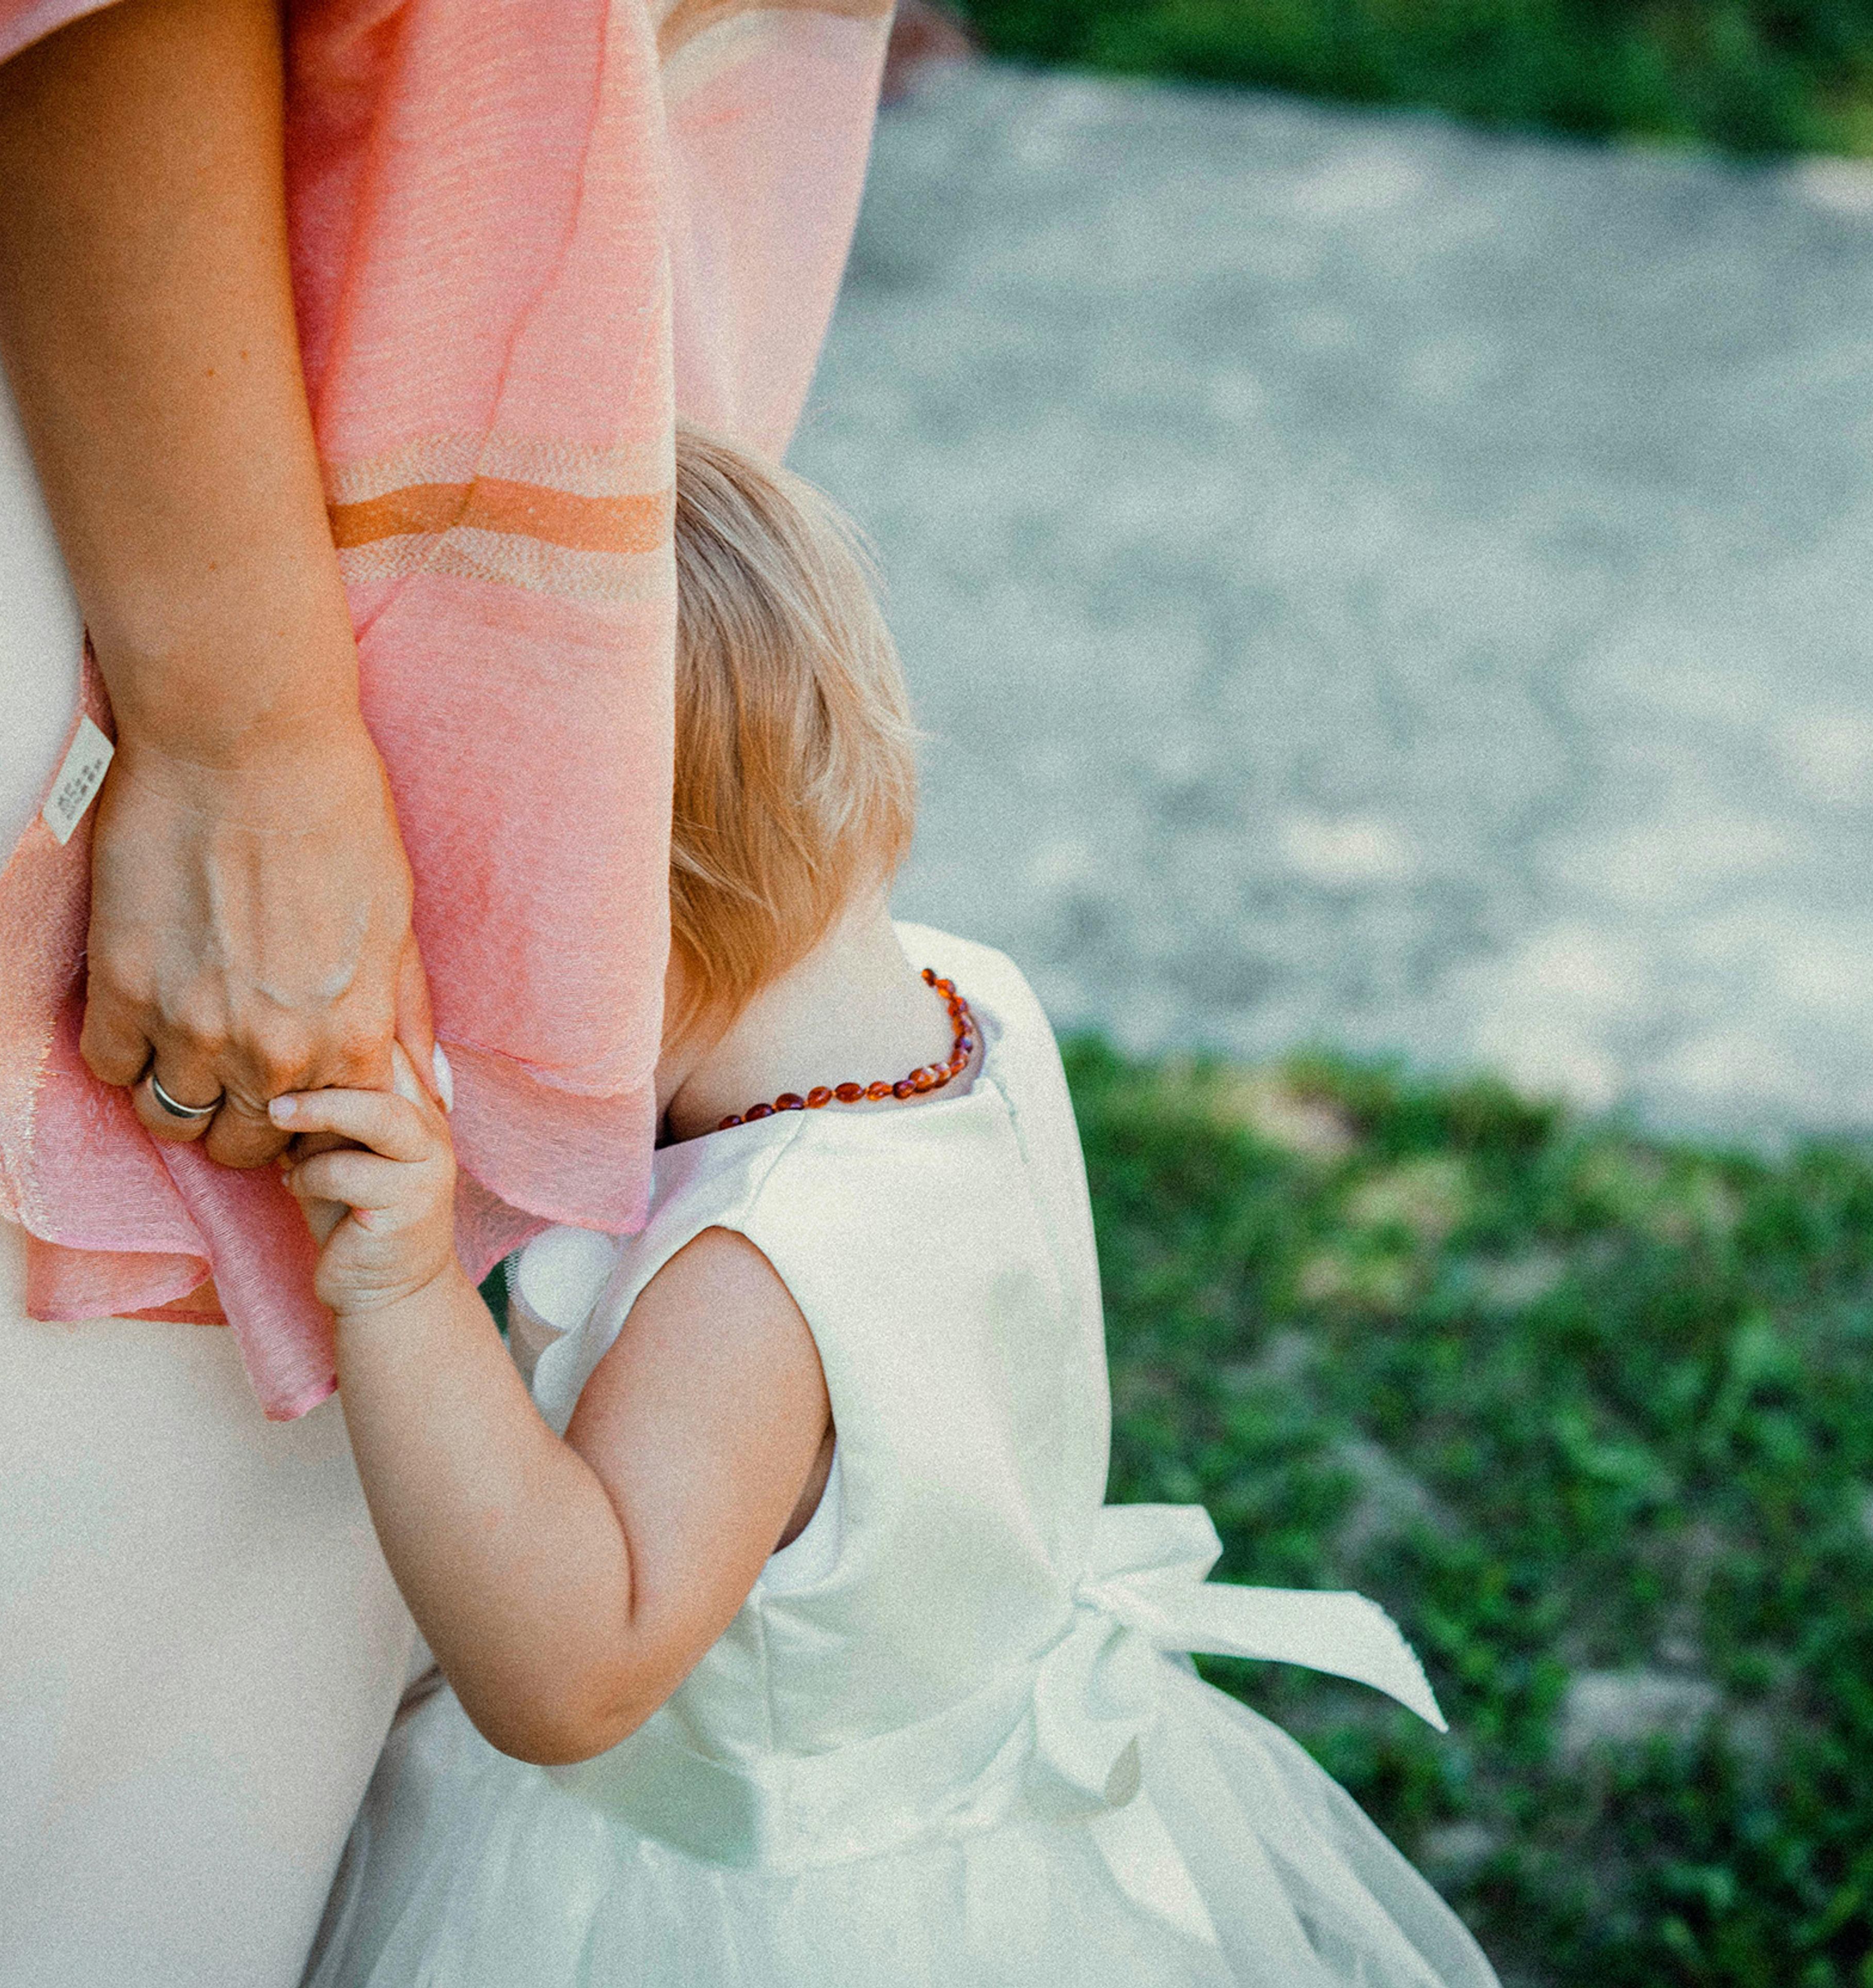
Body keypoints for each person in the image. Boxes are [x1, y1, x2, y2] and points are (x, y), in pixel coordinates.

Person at [0, 0, 886, 1977]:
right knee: (52, 1763)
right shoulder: (912, 1096)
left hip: (494, 354)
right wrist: (244, 729)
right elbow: (573, 1656)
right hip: (144, 423)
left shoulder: (832, 1182)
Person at [283, 427, 1503, 1987]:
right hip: (991, 1822)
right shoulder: (973, 1006)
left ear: (595, 926)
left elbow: (566, 1677)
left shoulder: (749, 1283)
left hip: (742, 1901)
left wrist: (395, 1294)